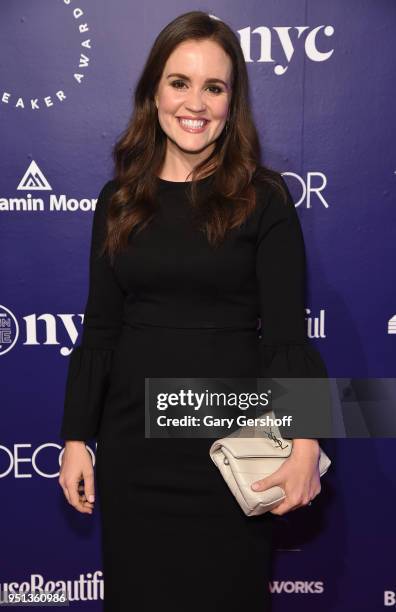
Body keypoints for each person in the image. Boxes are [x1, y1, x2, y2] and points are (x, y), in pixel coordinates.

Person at [58, 10, 328, 612]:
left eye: (215, 87)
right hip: (135, 451)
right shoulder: (119, 199)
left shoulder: (265, 199)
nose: (196, 103)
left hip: (232, 454)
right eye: (180, 82)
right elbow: (100, 328)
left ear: (233, 104)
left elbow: (286, 333)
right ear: (153, 92)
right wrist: (77, 437)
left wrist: (306, 439)